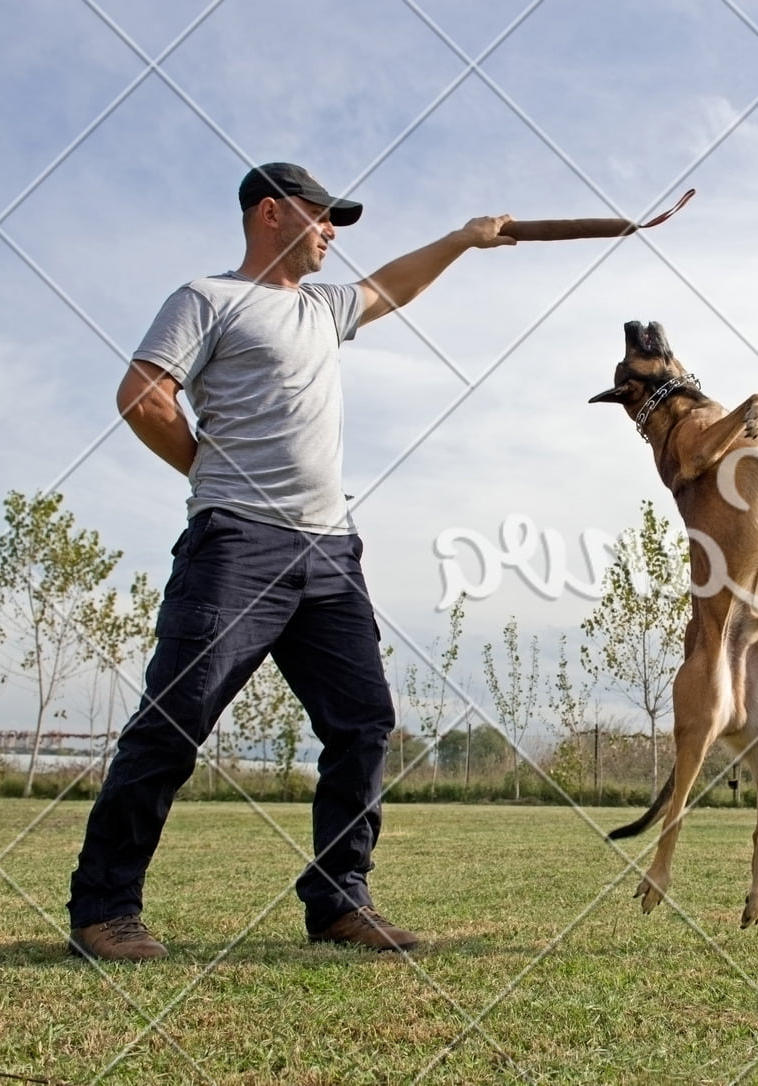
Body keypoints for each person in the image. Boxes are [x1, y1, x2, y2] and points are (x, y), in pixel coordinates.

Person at [66, 163, 514, 961]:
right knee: (175, 721)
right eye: (321, 216)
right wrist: (212, 472)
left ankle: (341, 902)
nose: (332, 231)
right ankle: (105, 909)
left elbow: (391, 288)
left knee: (364, 722)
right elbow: (143, 394)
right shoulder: (208, 298)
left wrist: (462, 241)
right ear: (271, 214)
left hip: (331, 553)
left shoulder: (321, 307)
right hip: (236, 545)